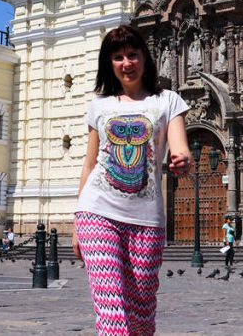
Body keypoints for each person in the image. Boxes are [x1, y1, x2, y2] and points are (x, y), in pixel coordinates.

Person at [73, 25, 192, 336]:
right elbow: (89, 165)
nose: (126, 62)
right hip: (97, 213)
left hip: (147, 221)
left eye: (132, 55)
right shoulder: (99, 105)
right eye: (117, 57)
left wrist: (182, 161)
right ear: (109, 64)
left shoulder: (168, 101)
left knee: (141, 317)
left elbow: (180, 150)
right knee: (112, 314)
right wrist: (75, 223)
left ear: (144, 58)